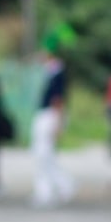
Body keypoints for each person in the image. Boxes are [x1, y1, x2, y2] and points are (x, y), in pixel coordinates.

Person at [33, 48, 77, 207]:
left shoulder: (58, 74)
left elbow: (58, 100)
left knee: (43, 155)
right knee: (44, 156)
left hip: (50, 116)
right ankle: (62, 186)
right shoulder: (50, 72)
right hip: (47, 114)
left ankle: (47, 192)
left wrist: (58, 123)